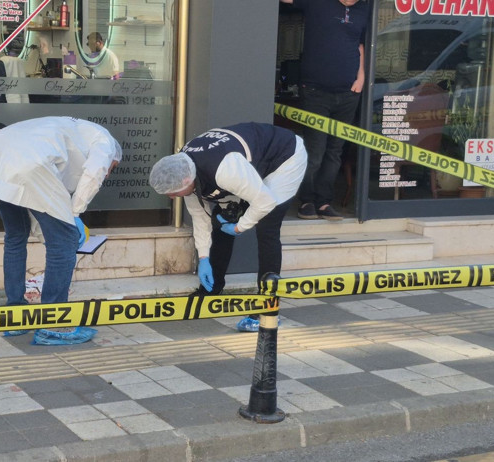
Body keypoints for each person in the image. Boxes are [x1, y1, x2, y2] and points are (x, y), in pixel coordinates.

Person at [148, 123, 307, 332]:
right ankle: (212, 289)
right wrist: (203, 257)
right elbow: (199, 216)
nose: (170, 196)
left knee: (267, 227)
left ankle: (267, 306)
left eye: (172, 192)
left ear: (188, 180)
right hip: (248, 161)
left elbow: (265, 202)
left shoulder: (225, 170)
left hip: (284, 156)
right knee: (221, 219)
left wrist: (240, 227)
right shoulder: (184, 166)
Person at [0, 117, 122, 345]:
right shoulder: (104, 141)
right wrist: (75, 214)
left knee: (16, 235)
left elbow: (40, 206)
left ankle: (14, 318)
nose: (108, 174)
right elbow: (95, 173)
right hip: (29, 158)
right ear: (114, 158)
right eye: (111, 169)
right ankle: (54, 325)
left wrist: (55, 232)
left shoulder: (70, 133)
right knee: (64, 242)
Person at [281, 0, 369, 220]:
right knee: (315, 151)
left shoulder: (365, 8)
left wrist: (361, 78)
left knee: (334, 152)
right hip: (315, 92)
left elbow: (360, 45)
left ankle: (324, 202)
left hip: (349, 93)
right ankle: (307, 201)